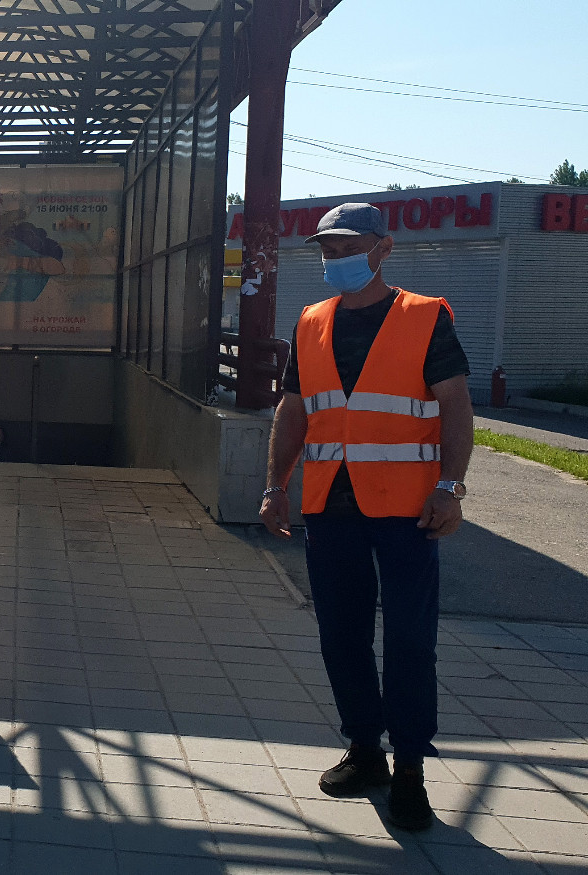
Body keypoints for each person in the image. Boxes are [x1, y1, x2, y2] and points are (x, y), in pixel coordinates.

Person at [259, 203, 473, 832]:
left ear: (383, 248)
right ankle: (365, 750)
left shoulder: (425, 317)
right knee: (341, 635)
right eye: (328, 250)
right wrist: (275, 486)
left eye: (349, 248)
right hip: (332, 507)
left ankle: (410, 769)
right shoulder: (311, 322)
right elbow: (294, 410)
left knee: (410, 639)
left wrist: (450, 488)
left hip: (409, 510)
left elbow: (456, 405)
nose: (336, 260)